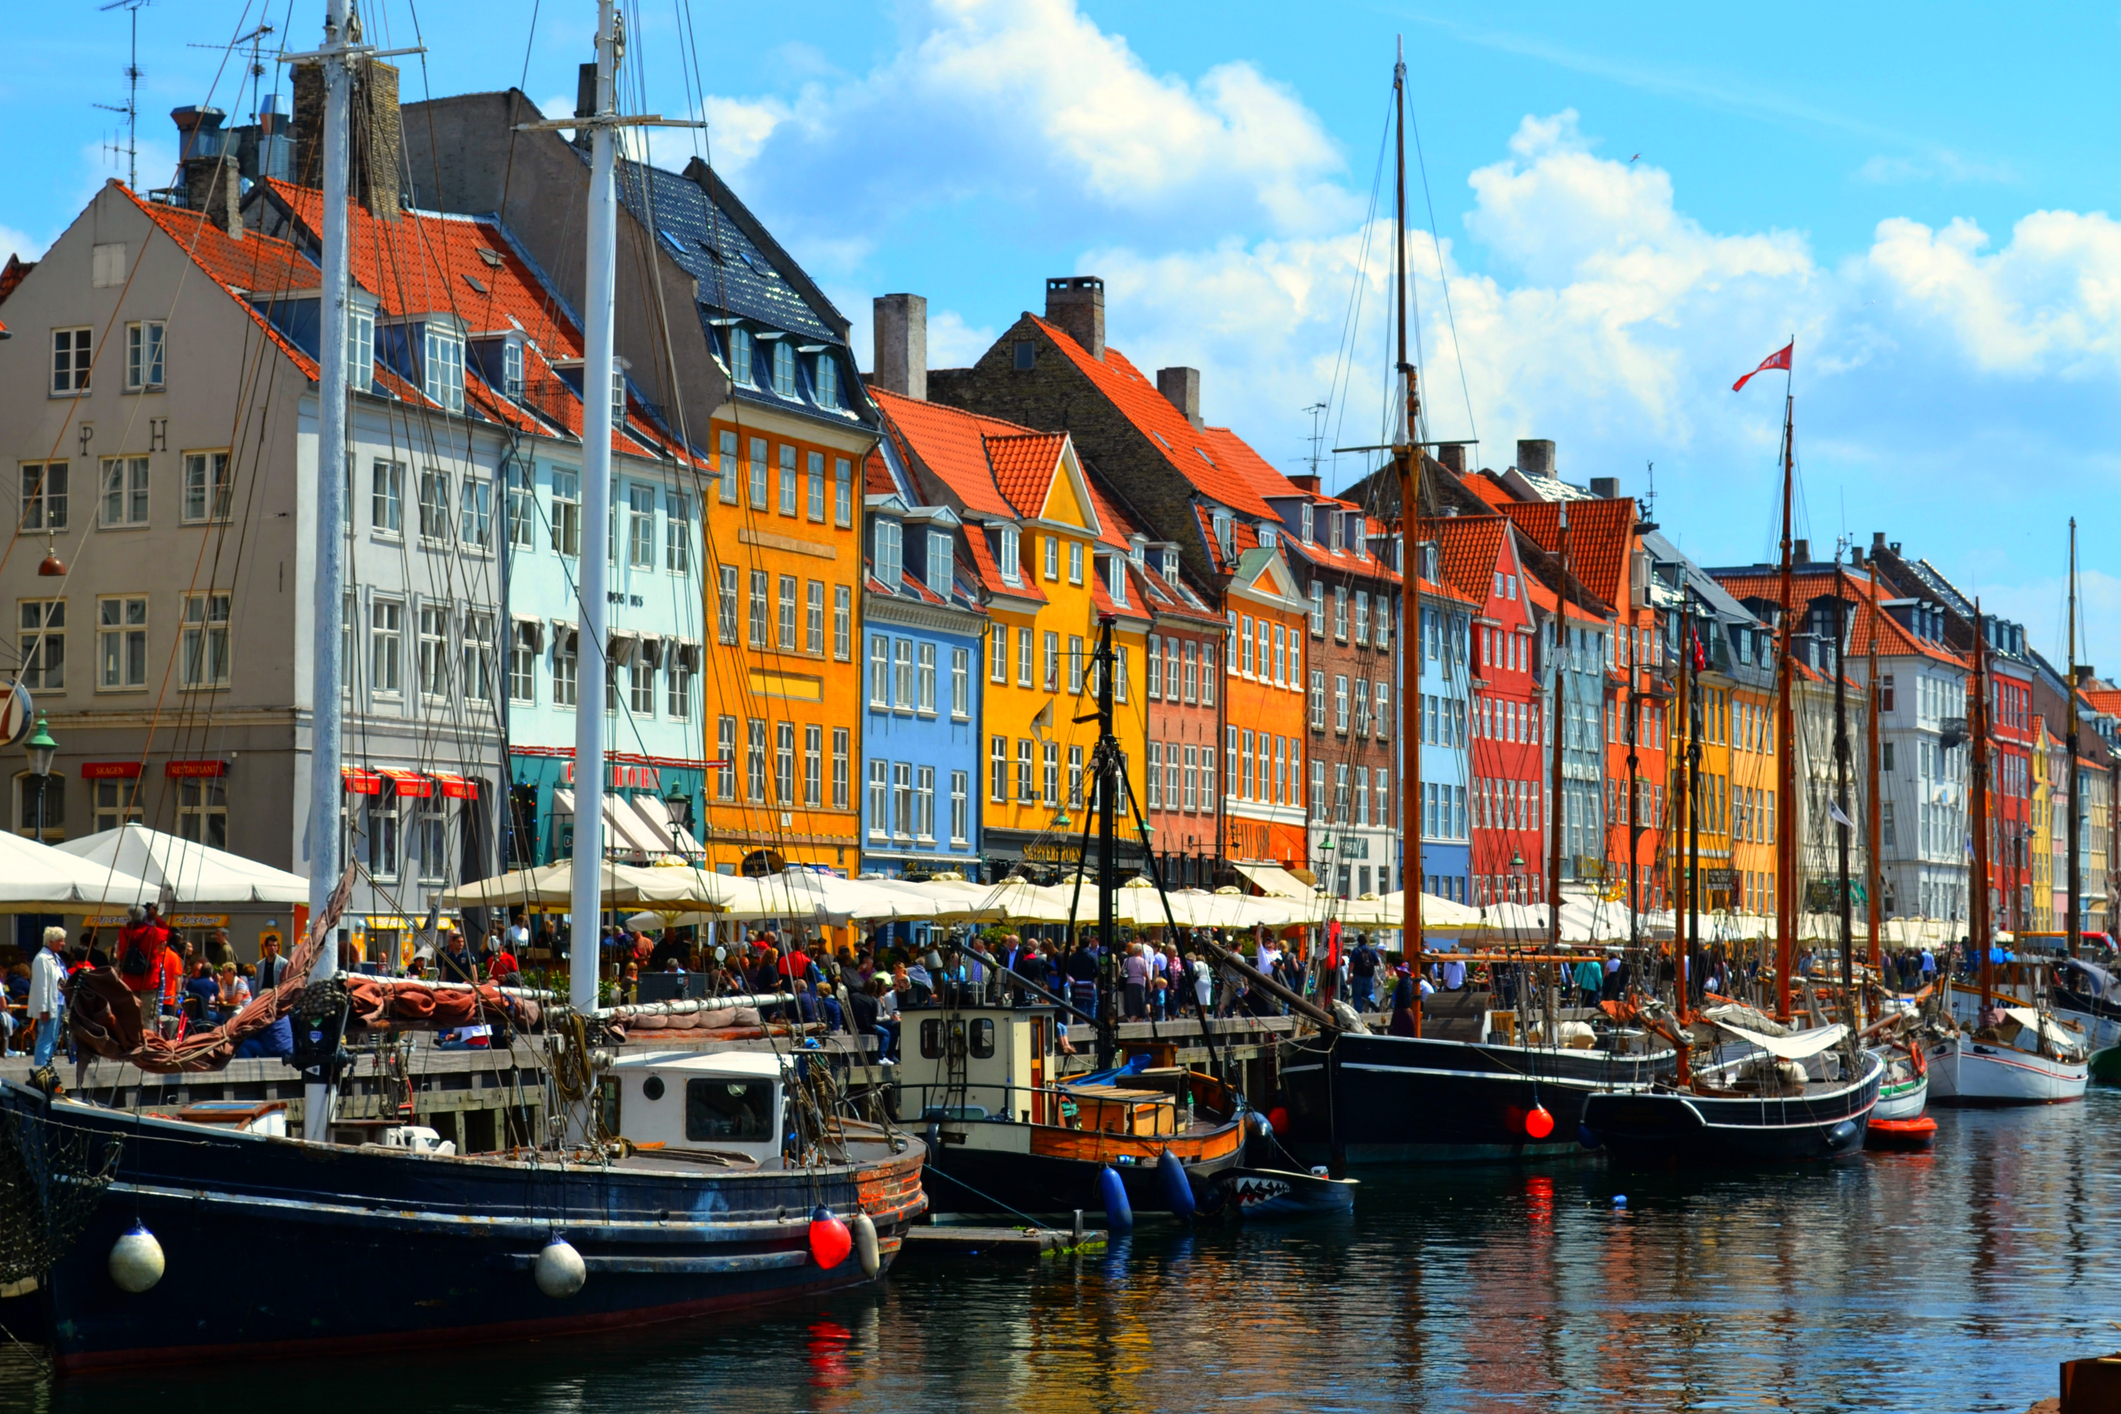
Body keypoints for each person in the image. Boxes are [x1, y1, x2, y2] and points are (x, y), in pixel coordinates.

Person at [28, 926, 66, 1069]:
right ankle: (41, 1068)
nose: (64, 944)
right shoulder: (42, 959)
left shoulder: (55, 957)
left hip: (59, 1003)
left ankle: (48, 1066)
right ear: (51, 941)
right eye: (61, 941)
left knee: (54, 1037)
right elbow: (42, 985)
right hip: (50, 1005)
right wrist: (43, 1009)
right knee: (46, 1038)